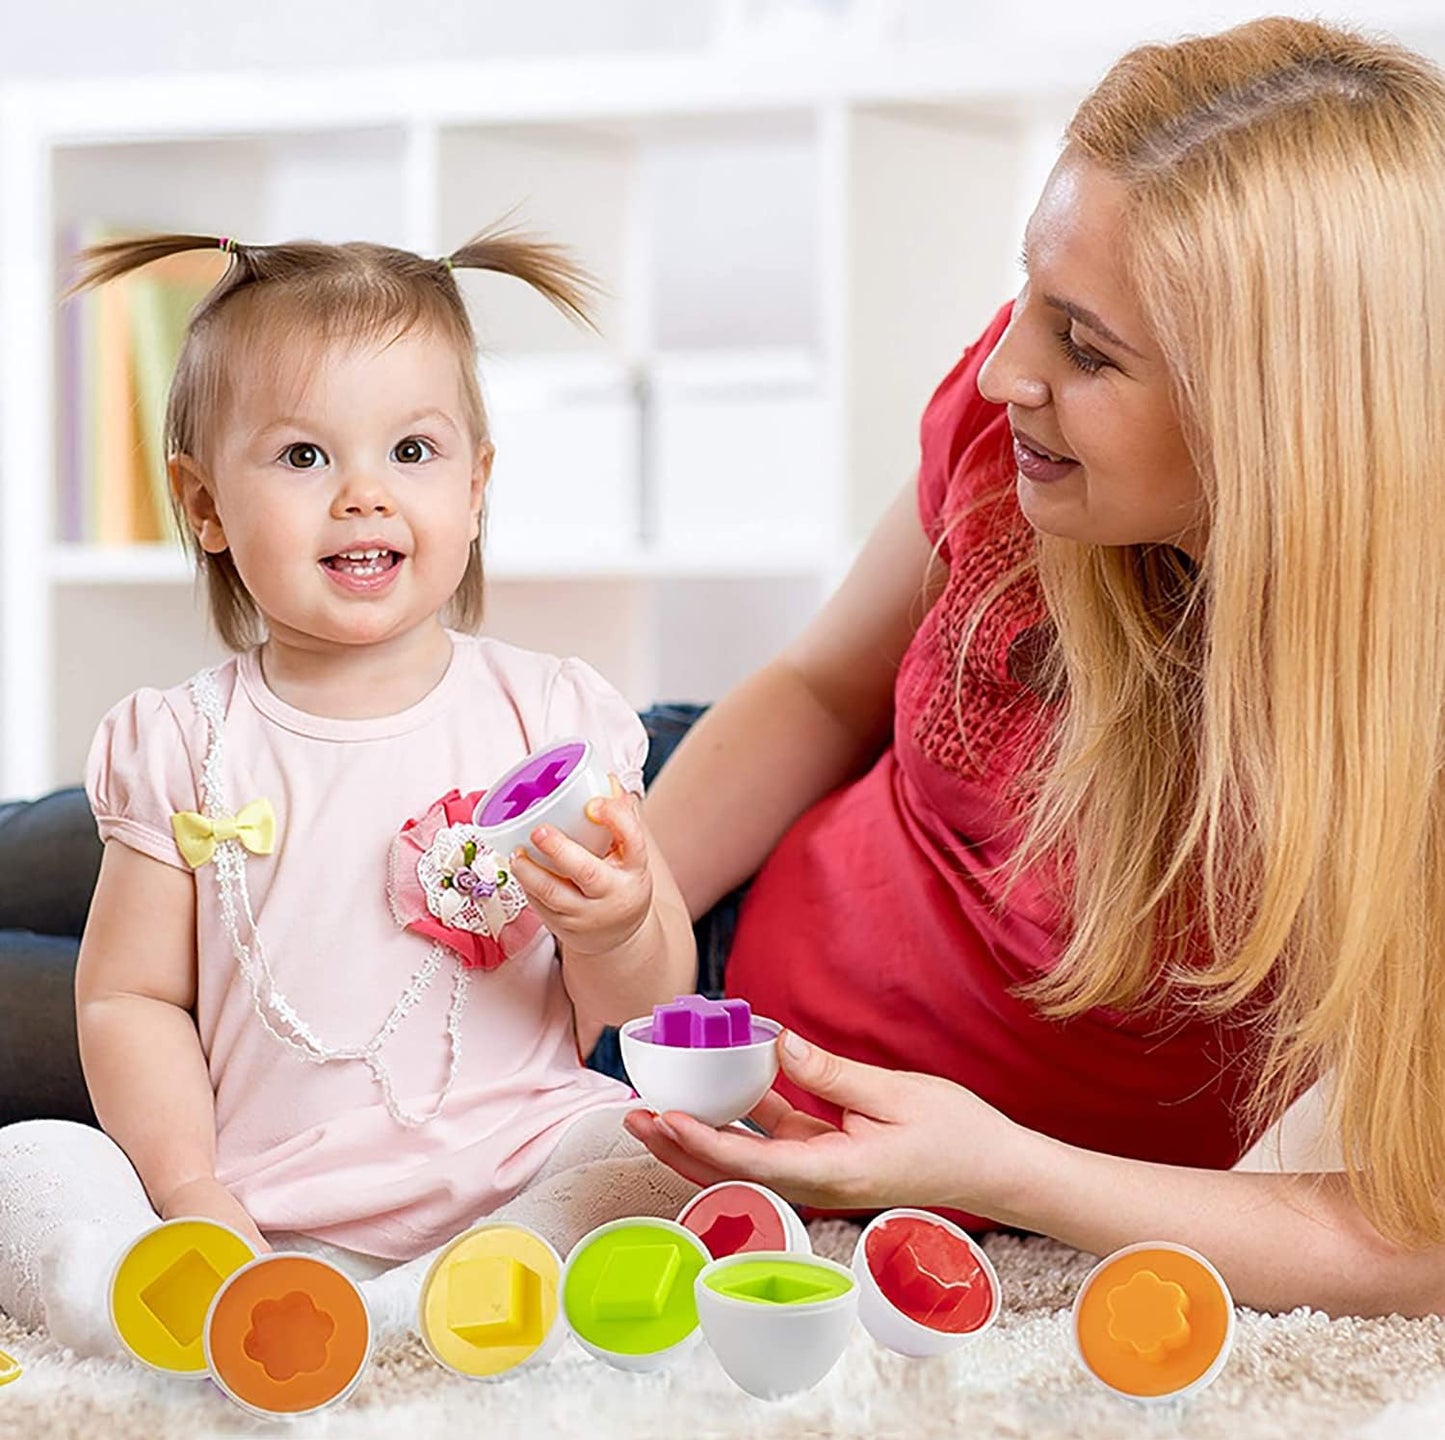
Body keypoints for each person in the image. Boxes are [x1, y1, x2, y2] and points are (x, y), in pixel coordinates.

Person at [616, 16, 1445, 1317]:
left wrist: (1009, 1176)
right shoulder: (1019, 437)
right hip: (703, 907)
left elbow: (1414, 1238)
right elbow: (822, 689)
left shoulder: (1408, 721)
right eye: (1028, 298)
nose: (1005, 371)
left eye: (1086, 347)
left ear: (1279, 419)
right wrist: (622, 921)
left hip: (940, 1169)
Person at [0, 227, 700, 1355]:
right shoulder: (182, 743)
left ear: (475, 487)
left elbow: (644, 995)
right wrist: (192, 1188)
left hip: (510, 1170)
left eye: (412, 451)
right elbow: (127, 999)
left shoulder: (553, 716)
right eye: (303, 457)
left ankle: (374, 1315)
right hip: (269, 1209)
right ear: (206, 504)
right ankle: (261, 1292)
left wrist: (617, 920)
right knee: (28, 1164)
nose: (364, 494)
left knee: (647, 1151)